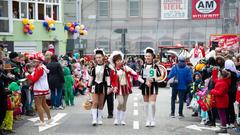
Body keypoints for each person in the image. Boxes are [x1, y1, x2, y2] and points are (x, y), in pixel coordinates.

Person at [109, 51, 138, 126]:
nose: (119, 62)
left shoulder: (125, 68)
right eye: (117, 61)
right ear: (114, 62)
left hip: (126, 87)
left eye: (120, 60)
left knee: (124, 104)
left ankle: (122, 120)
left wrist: (142, 79)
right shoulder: (113, 70)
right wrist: (113, 87)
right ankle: (117, 119)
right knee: (120, 102)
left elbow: (134, 73)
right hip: (118, 89)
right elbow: (111, 80)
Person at [25, 53, 52, 126]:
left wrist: (28, 75)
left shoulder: (39, 68)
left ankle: (42, 121)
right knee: (43, 104)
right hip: (42, 87)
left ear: (39, 61)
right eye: (33, 61)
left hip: (39, 88)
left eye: (35, 61)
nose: (33, 63)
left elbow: (34, 79)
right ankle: (49, 119)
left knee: (38, 105)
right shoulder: (42, 67)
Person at [138, 47, 162, 127]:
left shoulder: (155, 66)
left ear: (152, 57)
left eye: (149, 56)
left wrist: (153, 79)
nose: (147, 57)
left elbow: (160, 77)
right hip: (145, 86)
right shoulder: (143, 66)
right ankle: (148, 119)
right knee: (146, 104)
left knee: (152, 104)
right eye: (146, 56)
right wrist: (145, 82)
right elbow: (138, 77)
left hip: (153, 86)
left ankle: (153, 119)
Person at [88, 49, 111, 126]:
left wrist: (108, 86)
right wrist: (88, 86)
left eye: (99, 57)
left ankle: (99, 118)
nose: (98, 59)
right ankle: (94, 119)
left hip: (103, 86)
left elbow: (108, 77)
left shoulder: (106, 67)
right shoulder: (93, 67)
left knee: (101, 103)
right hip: (95, 85)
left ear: (103, 57)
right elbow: (91, 77)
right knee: (95, 102)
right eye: (97, 57)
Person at [210, 68, 231, 133]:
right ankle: (223, 127)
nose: (218, 75)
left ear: (222, 76)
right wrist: (214, 71)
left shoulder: (223, 83)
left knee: (222, 115)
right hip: (220, 100)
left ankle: (223, 128)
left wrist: (212, 91)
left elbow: (220, 93)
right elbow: (214, 79)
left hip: (222, 100)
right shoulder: (221, 81)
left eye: (219, 74)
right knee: (221, 114)